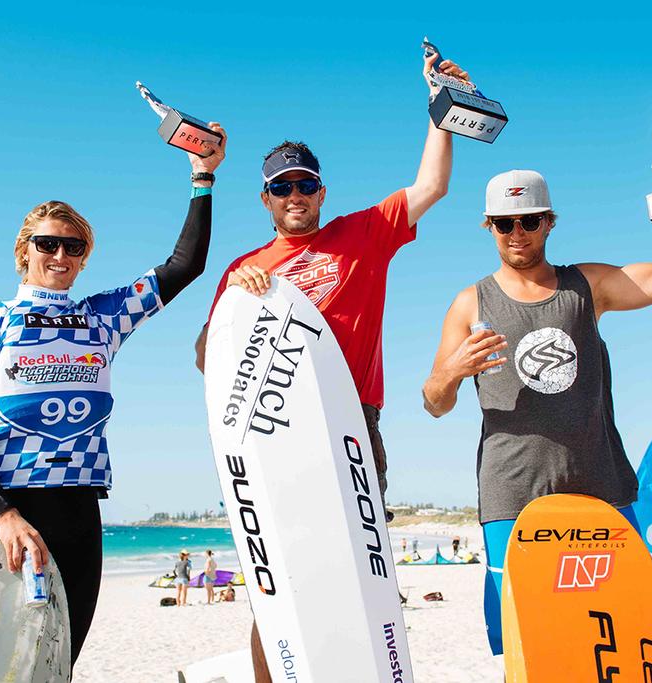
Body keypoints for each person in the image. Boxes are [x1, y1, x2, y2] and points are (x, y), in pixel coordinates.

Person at [194, 54, 469, 683]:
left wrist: (442, 112)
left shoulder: (363, 233)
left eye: (305, 184)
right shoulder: (244, 268)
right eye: (282, 188)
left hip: (352, 421)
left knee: (358, 569)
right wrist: (235, 308)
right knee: (277, 584)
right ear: (265, 199)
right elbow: (208, 360)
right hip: (272, 433)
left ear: (322, 190)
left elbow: (432, 187)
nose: (295, 196)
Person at [0, 124, 226, 666]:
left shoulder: (102, 319)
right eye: (47, 243)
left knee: (56, 665)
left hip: (76, 513)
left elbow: (184, 266)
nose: (60, 255)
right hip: (5, 512)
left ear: (84, 256)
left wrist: (202, 177)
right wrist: (3, 514)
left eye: (73, 246)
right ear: (24, 251)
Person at [421, 129, 652, 656]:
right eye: (505, 223)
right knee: (533, 648)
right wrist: (453, 372)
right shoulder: (470, 303)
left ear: (548, 222)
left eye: (529, 220)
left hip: (600, 489)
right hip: (512, 499)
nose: (517, 233)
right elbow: (434, 402)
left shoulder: (588, 285)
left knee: (624, 634)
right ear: (489, 227)